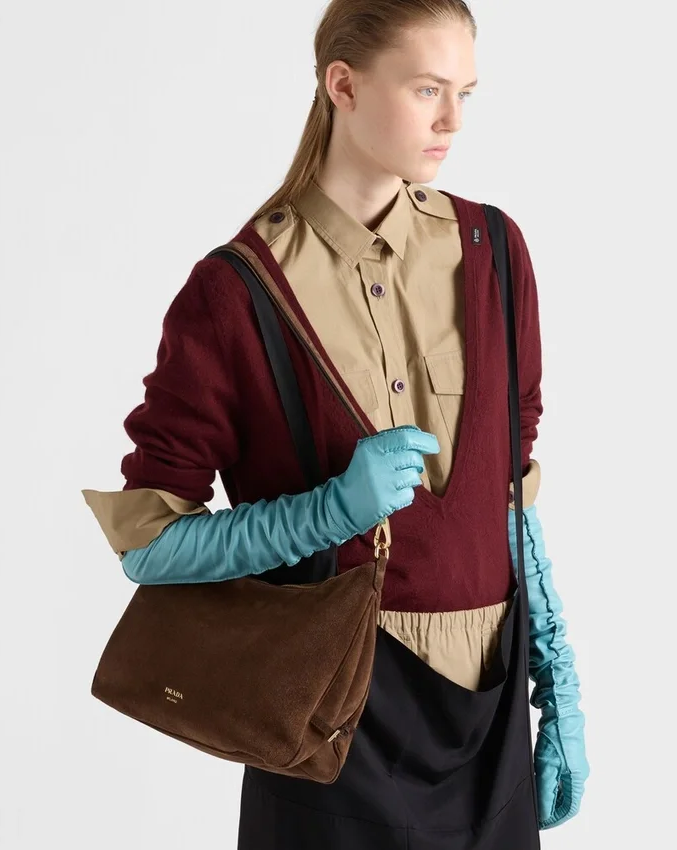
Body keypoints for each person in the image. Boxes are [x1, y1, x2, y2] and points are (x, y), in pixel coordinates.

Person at [82, 0, 589, 846]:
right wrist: (330, 512)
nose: (453, 120)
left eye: (465, 92)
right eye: (427, 89)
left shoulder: (495, 251)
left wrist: (558, 678)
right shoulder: (238, 292)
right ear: (343, 86)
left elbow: (512, 489)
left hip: (493, 716)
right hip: (331, 725)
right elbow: (150, 547)